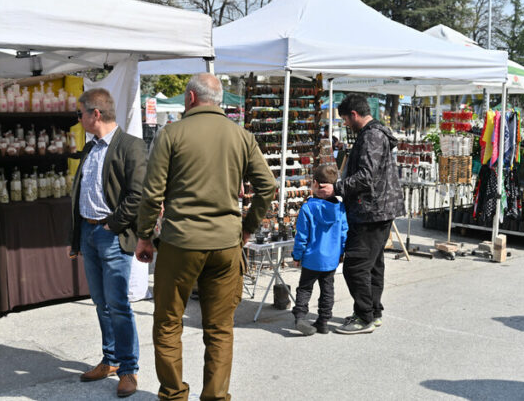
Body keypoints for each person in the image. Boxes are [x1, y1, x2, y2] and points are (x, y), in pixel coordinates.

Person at [135, 73, 275, 400]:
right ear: (219, 100)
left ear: (191, 98)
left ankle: (173, 395)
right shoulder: (241, 135)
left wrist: (143, 236)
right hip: (226, 244)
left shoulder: (171, 134)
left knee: (168, 324)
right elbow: (268, 187)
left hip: (180, 243)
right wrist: (247, 228)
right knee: (220, 329)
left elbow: (152, 193)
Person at [69, 88, 146, 397]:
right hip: (89, 235)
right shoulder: (89, 149)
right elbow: (82, 194)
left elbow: (137, 195)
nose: (79, 119)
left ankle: (128, 369)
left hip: (111, 234)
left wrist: (112, 225)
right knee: (101, 303)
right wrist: (79, 236)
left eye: (80, 114)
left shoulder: (130, 146)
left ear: (95, 114)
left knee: (118, 305)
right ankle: (111, 359)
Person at [318, 93, 405, 335]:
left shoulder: (372, 136)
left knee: (355, 265)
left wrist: (335, 188)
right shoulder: (374, 134)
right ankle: (371, 312)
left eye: (345, 119)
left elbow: (366, 176)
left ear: (354, 115)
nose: (345, 124)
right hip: (376, 209)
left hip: (371, 210)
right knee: (373, 265)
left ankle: (365, 316)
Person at [291, 164, 348, 336]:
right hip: (331, 259)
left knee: (305, 288)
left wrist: (296, 255)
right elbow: (344, 234)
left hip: (311, 258)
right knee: (327, 289)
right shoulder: (340, 208)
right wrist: (341, 253)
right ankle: (323, 321)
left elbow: (301, 236)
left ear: (315, 183)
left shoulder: (308, 208)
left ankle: (300, 317)